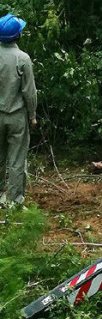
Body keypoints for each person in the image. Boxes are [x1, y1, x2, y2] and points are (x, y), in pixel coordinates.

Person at [0, 14, 37, 207]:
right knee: (16, 160)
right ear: (17, 35)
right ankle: (14, 201)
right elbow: (29, 92)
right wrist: (32, 116)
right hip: (16, 117)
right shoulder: (23, 59)